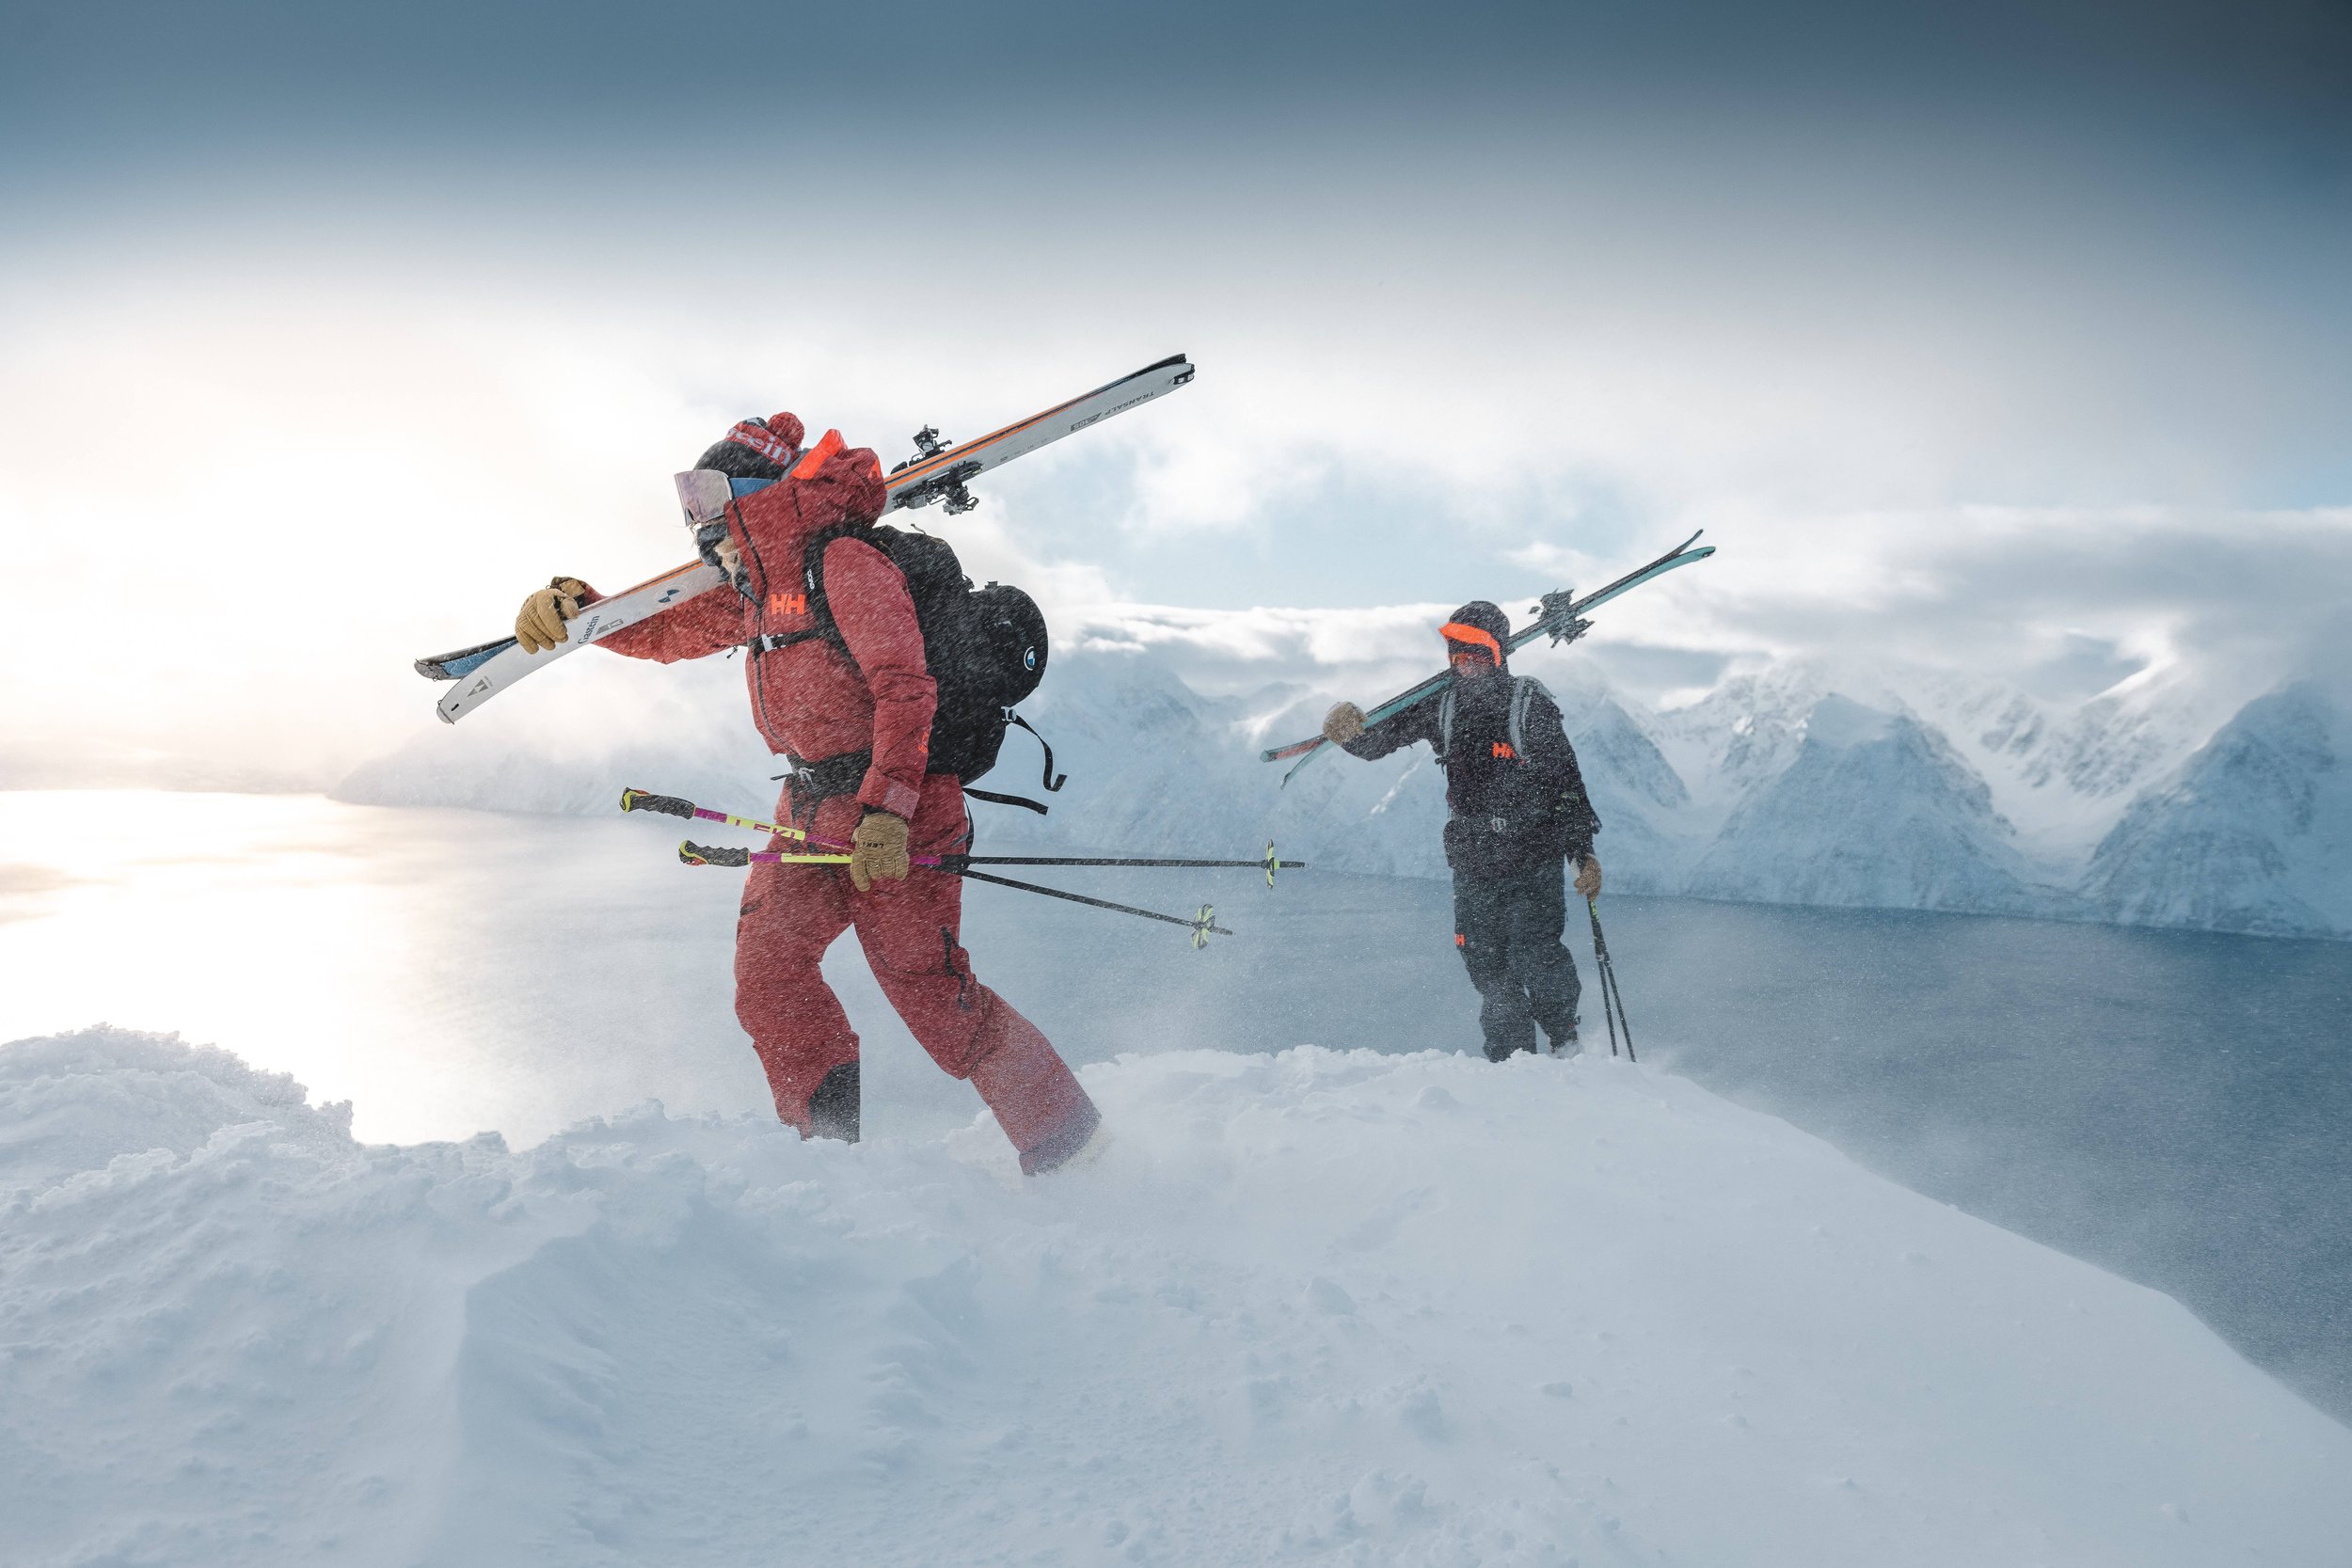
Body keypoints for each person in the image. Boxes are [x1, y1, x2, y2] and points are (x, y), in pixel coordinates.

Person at [511, 411, 1103, 1173]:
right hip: (810, 814)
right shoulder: (754, 590)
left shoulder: (845, 563)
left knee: (937, 1002)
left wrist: (887, 812)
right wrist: (582, 610)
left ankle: (1072, 1145)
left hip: (904, 810)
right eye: (687, 499)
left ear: (755, 494)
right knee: (769, 977)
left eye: (705, 496)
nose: (694, 519)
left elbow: (906, 689)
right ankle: (824, 1162)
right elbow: (665, 632)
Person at [1321, 601, 1603, 1061]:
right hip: (1474, 858)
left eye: (1477, 656)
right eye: (1457, 656)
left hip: (1532, 853)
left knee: (1536, 955)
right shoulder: (1442, 704)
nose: (1466, 666)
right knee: (1486, 965)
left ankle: (1565, 1042)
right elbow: (1380, 741)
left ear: (1498, 656)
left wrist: (1582, 854)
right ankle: (1511, 1060)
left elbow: (1565, 784)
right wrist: (1347, 732)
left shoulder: (1529, 706)